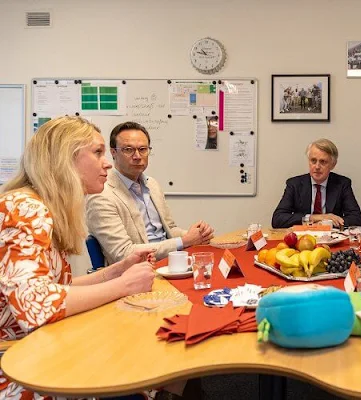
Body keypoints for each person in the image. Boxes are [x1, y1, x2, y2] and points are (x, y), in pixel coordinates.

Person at [0, 116, 156, 398]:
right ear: (64, 160)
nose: (107, 163)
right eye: (97, 152)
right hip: (16, 366)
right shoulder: (25, 209)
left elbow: (52, 290)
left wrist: (116, 271)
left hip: (33, 348)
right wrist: (125, 286)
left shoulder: (39, 206)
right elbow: (37, 308)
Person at [86, 121, 214, 264]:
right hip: (136, 271)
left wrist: (198, 235)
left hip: (170, 262)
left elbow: (169, 230)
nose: (137, 156)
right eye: (128, 150)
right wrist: (184, 241)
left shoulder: (151, 184)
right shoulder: (101, 196)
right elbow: (124, 253)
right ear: (113, 152)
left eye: (143, 149)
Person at [272, 138, 361, 229]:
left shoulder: (342, 184)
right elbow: (278, 219)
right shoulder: (294, 184)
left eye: (323, 162)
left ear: (333, 164)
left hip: (331, 238)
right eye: (313, 161)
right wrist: (315, 218)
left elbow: (357, 219)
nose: (317, 167)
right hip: (302, 238)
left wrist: (328, 223)